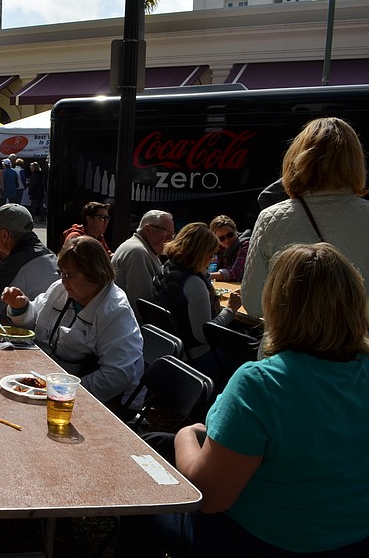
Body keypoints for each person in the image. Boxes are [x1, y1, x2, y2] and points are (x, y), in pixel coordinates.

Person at [117, 243, 369, 558]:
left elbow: (208, 497)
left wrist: (186, 434)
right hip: (351, 541)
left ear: (277, 304)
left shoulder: (262, 383)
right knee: (153, 442)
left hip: (257, 542)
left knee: (138, 482)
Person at [243, 117, 369, 319]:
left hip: (289, 346)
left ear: (297, 159)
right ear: (356, 162)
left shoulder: (269, 219)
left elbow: (254, 303)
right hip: (355, 345)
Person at [2, 236, 144, 407]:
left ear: (96, 273)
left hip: (96, 401)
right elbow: (36, 324)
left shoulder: (115, 311)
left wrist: (62, 392)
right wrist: (22, 307)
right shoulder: (60, 289)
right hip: (48, 380)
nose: (63, 280)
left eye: (69, 275)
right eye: (61, 272)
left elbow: (116, 376)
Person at [152, 222, 242, 371]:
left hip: (170, 347)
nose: (212, 259)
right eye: (211, 254)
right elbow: (203, 334)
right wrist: (231, 310)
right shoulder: (194, 284)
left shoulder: (166, 267)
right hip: (196, 357)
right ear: (201, 253)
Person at [112, 210, 174, 322]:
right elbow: (143, 305)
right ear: (148, 230)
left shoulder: (142, 248)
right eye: (167, 232)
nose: (170, 239)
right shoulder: (138, 252)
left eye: (172, 234)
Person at [209, 215, 250, 282]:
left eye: (230, 235)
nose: (227, 240)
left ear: (235, 230)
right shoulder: (217, 249)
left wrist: (206, 276)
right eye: (221, 238)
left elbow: (235, 274)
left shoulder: (245, 244)